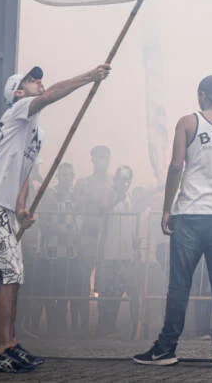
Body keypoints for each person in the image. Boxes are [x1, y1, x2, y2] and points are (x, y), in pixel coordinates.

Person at [0, 63, 110, 373]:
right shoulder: (18, 110)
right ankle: (2, 350)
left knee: (14, 276)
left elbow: (24, 174)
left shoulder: (35, 131)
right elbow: (55, 92)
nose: (38, 82)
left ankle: (12, 344)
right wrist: (89, 76)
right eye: (30, 81)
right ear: (18, 92)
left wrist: (20, 207)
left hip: (2, 207)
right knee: (8, 275)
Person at [133, 75, 212, 369]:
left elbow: (176, 165)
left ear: (202, 95)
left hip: (190, 212)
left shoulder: (188, 123)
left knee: (179, 284)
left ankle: (166, 349)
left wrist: (166, 209)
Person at [72, 144, 114, 337]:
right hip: (88, 235)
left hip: (108, 237)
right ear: (92, 159)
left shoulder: (115, 183)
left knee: (105, 281)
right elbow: (79, 205)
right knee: (81, 281)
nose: (101, 161)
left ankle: (104, 325)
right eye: (98, 157)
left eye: (105, 157)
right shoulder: (82, 183)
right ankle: (81, 325)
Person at [96, 165, 138, 336]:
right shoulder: (108, 193)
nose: (124, 182)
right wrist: (116, 198)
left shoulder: (129, 197)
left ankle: (111, 323)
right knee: (105, 288)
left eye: (127, 179)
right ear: (116, 179)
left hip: (125, 252)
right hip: (109, 250)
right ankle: (103, 323)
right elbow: (102, 210)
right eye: (121, 178)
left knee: (118, 288)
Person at [38, 162, 78, 336]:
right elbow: (43, 220)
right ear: (58, 177)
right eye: (63, 175)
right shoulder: (49, 195)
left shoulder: (76, 195)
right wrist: (59, 229)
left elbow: (80, 218)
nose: (66, 178)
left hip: (70, 250)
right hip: (51, 250)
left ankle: (61, 325)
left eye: (70, 175)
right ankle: (51, 325)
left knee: (65, 289)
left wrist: (76, 233)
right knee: (49, 289)